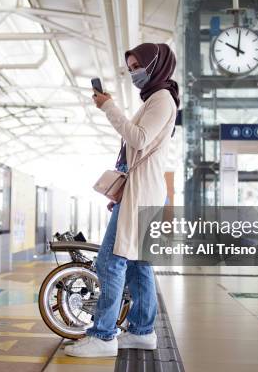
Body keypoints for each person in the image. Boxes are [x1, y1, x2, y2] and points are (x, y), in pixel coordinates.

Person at [64, 43, 179, 357]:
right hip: (142, 191)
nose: (133, 73)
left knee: (110, 261)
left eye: (137, 66)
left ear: (156, 65)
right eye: (129, 68)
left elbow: (138, 139)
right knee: (139, 264)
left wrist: (109, 107)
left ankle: (103, 336)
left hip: (143, 194)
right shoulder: (155, 99)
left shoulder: (162, 99)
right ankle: (142, 331)